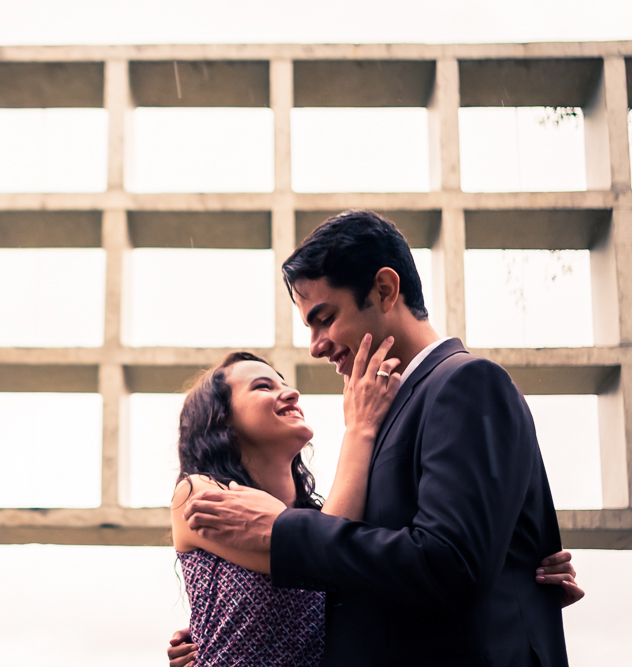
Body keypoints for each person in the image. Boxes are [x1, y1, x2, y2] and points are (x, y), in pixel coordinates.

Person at [170, 210, 582, 667]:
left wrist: (281, 530)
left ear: (385, 290)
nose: (316, 345)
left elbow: (451, 563)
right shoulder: (387, 417)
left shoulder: (465, 382)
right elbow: (365, 567)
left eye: (324, 318)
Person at [172, 338, 404, 666]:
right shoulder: (198, 493)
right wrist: (360, 427)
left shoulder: (317, 514)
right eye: (263, 387)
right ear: (222, 418)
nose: (292, 393)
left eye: (285, 384)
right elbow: (320, 554)